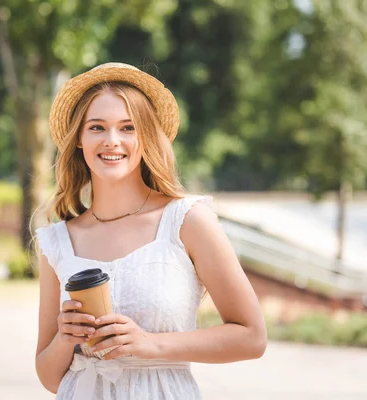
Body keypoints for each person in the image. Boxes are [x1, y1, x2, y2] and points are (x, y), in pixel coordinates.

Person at [34, 62, 267, 400]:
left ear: (145, 137)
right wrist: (65, 338)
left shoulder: (187, 221)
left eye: (127, 128)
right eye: (97, 127)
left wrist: (149, 343)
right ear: (80, 140)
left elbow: (252, 336)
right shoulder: (58, 242)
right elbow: (49, 377)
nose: (112, 141)